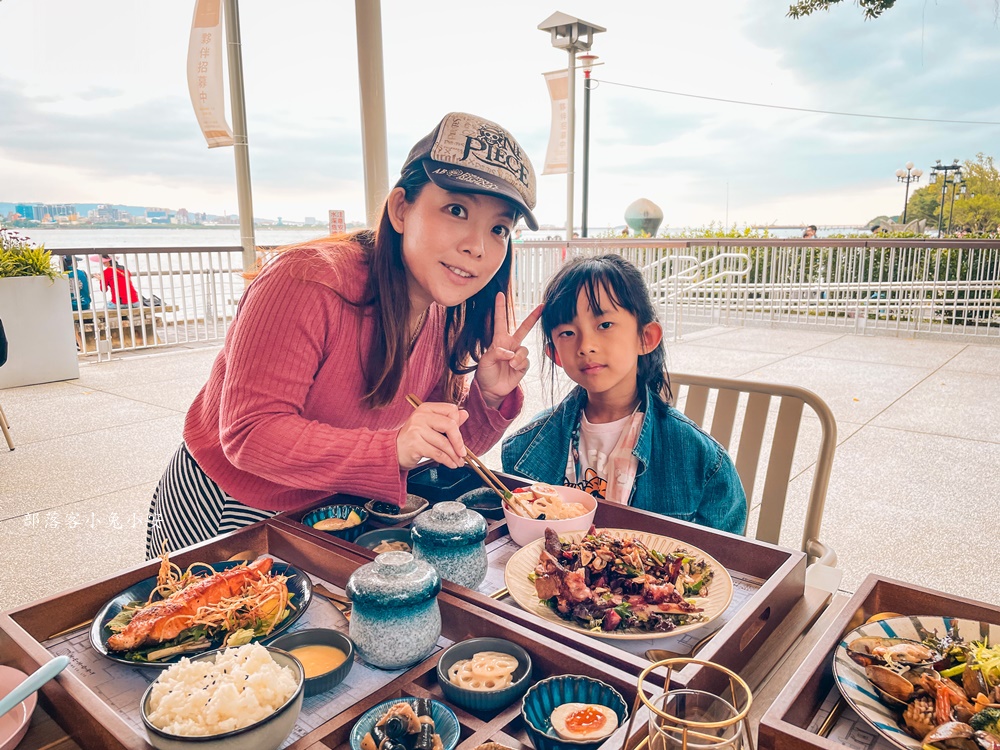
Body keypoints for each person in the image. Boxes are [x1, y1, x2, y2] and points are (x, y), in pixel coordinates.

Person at [146, 111, 543, 557]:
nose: (478, 246)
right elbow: (249, 434)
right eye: (456, 210)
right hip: (228, 506)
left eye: (499, 229)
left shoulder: (441, 310)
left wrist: (486, 398)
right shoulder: (306, 280)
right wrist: (392, 446)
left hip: (333, 507)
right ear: (400, 209)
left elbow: (442, 449)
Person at [501, 255, 747, 534]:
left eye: (604, 325)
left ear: (646, 337)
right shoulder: (523, 450)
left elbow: (724, 564)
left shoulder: (703, 462)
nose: (586, 345)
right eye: (568, 332)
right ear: (555, 354)